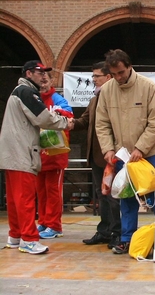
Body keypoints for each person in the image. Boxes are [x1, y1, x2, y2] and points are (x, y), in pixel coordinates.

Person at [95, 49, 155, 254]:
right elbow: (101, 123)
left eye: (121, 72)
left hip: (150, 154)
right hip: (123, 156)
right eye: (114, 73)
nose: (119, 77)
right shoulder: (107, 90)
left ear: (129, 66)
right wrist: (108, 149)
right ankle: (127, 238)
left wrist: (141, 148)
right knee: (126, 198)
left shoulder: (148, 87)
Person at [0, 60, 74, 254]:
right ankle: (29, 239)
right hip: (22, 151)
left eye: (45, 73)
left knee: (15, 198)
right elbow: (43, 118)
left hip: (11, 152)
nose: (43, 76)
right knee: (25, 198)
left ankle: (15, 236)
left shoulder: (18, 92)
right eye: (39, 72)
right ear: (28, 74)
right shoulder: (26, 92)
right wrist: (65, 123)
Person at [73, 61, 122, 249]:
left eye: (96, 76)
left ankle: (117, 233)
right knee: (101, 196)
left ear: (108, 77)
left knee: (114, 196)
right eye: (92, 76)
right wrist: (69, 124)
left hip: (111, 156)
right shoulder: (94, 99)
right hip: (95, 156)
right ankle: (104, 231)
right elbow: (85, 120)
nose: (93, 79)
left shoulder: (115, 98)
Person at [36, 71, 74, 239]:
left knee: (53, 192)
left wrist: (54, 113)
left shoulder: (58, 99)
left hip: (55, 156)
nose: (43, 83)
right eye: (40, 80)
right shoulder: (34, 99)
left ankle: (55, 225)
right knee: (41, 192)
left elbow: (68, 114)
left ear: (52, 81)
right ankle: (43, 222)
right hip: (38, 157)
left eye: (46, 80)